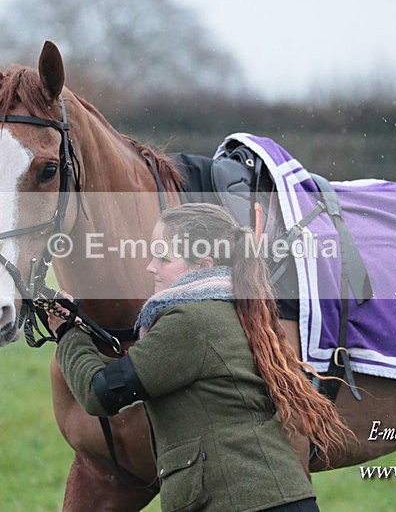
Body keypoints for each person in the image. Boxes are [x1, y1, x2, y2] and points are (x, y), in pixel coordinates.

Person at [54, 203, 352, 511]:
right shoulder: (230, 311)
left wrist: (67, 334)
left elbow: (99, 392)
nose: (151, 267)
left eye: (164, 258)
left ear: (203, 265)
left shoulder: (190, 321)